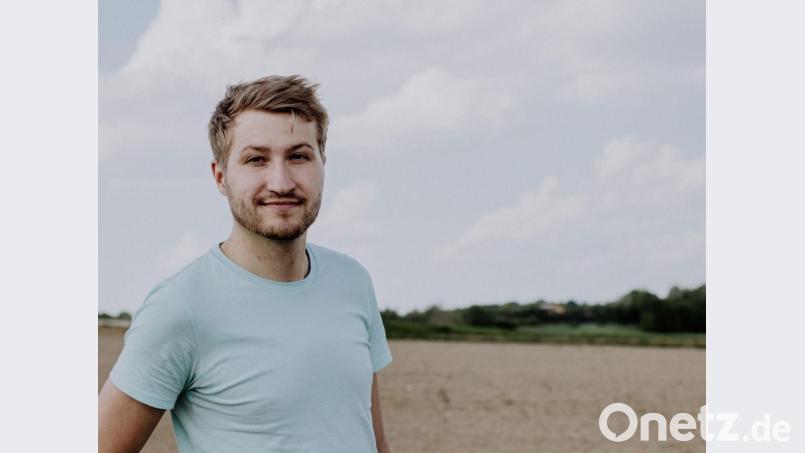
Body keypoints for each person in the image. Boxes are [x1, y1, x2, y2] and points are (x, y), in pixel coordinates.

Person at [98, 75, 393, 453]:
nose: (281, 182)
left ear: (323, 164)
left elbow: (372, 439)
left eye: (299, 156)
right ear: (221, 177)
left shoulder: (352, 281)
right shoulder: (180, 307)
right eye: (256, 159)